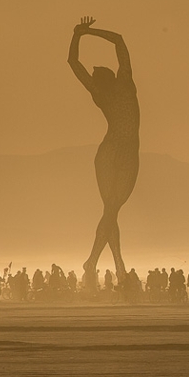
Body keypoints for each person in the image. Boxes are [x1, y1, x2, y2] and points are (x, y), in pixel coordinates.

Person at [68, 17, 140, 287]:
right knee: (112, 209)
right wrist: (86, 33)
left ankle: (108, 263)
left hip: (112, 151)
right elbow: (119, 41)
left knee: (111, 210)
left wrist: (79, 35)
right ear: (110, 75)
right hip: (123, 151)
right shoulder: (124, 84)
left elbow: (73, 64)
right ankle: (100, 261)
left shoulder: (104, 92)